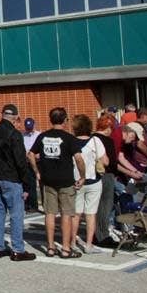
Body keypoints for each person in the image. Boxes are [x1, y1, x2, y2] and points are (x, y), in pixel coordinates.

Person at [28, 107, 86, 259]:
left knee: (50, 213)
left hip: (48, 180)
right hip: (66, 180)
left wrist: (37, 172)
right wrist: (82, 176)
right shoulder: (69, 138)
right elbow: (79, 159)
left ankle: (50, 246)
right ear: (65, 120)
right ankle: (66, 248)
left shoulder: (42, 136)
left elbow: (30, 154)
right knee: (66, 214)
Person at [0, 104, 36, 261]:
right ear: (16, 116)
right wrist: (27, 183)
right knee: (16, 214)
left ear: (2, 114)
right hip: (12, 178)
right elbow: (20, 161)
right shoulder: (15, 134)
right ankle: (17, 249)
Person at [70, 114, 109, 254]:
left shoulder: (70, 141)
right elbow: (105, 161)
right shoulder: (96, 140)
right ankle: (88, 244)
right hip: (93, 180)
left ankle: (73, 242)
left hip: (76, 181)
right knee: (91, 214)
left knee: (76, 214)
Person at [93, 114, 123, 248]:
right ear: (108, 127)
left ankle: (95, 233)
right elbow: (111, 162)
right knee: (105, 206)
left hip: (92, 175)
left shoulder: (91, 138)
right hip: (106, 175)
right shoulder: (107, 140)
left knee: (95, 207)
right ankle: (103, 235)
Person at [21, 117, 40, 211]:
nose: (29, 130)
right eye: (27, 128)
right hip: (26, 162)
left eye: (30, 127)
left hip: (37, 162)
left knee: (35, 184)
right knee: (27, 183)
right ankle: (28, 204)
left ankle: (34, 205)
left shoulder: (38, 135)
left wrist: (37, 155)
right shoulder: (22, 135)